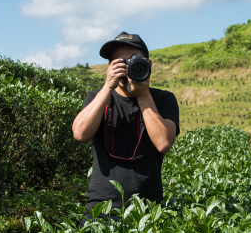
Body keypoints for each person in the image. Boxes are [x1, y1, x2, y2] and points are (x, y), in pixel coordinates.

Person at [71, 32, 180, 214]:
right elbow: (80, 134)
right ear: (109, 66)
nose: (128, 66)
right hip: (101, 208)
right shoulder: (97, 98)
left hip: (147, 210)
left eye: (133, 60)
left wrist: (143, 94)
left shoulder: (163, 99)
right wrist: (108, 87)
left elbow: (163, 143)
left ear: (148, 64)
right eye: (120, 62)